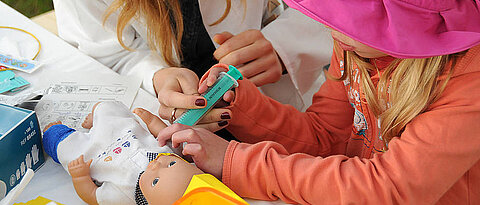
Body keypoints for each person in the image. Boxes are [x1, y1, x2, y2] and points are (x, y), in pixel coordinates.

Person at [155, 0, 480, 204]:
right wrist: (240, 105)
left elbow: (390, 190)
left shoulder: (469, 84)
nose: (329, 23)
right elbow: (326, 135)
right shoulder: (357, 46)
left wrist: (235, 162)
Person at [53, 0, 333, 129]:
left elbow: (350, 10)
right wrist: (156, 77)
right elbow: (104, 50)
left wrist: (285, 45)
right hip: (173, 129)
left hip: (283, 113)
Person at [42, 101, 201, 204]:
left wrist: (80, 177)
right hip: (121, 131)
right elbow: (164, 135)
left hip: (93, 156)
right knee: (106, 107)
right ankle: (96, 120)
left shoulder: (124, 196)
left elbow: (92, 196)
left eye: (155, 181)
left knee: (60, 143)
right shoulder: (169, 154)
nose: (156, 165)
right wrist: (151, 121)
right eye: (172, 164)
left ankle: (57, 133)